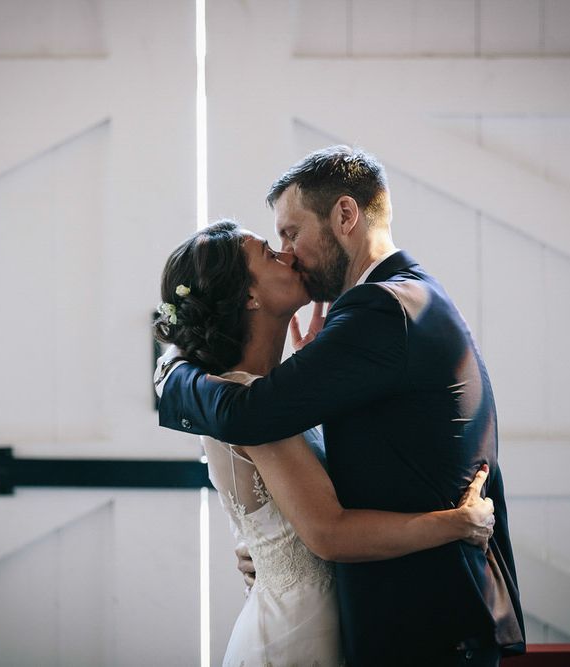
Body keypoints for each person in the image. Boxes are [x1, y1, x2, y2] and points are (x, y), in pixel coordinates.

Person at [157, 146, 526, 666]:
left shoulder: (379, 308)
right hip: (391, 620)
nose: (287, 251)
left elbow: (250, 415)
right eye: (276, 244)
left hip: (424, 623)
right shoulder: (406, 297)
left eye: (290, 232)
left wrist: (171, 377)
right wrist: (272, 550)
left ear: (345, 216)